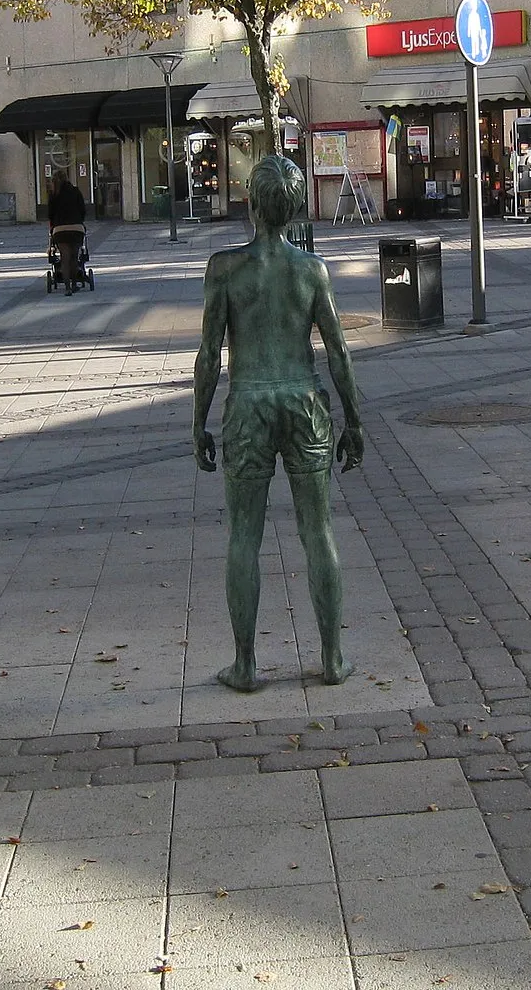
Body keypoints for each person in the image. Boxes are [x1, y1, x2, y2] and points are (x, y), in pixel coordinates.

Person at [193, 154, 365, 692]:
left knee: (244, 535)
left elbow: (208, 353)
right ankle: (332, 658)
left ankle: (245, 666)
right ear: (295, 209)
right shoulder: (311, 270)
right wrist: (353, 419)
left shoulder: (224, 268)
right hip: (304, 403)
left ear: (250, 203)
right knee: (319, 531)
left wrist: (198, 421)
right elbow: (338, 351)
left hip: (248, 405)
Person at [48, 172, 88, 293]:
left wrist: (54, 225)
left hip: (60, 230)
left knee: (64, 258)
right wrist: (79, 221)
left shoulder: (54, 194)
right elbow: (83, 210)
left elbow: (50, 214)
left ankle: (67, 288)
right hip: (76, 228)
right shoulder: (75, 191)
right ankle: (75, 283)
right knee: (74, 257)